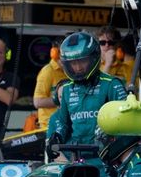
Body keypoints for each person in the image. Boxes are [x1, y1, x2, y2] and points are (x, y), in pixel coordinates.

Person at [47, 31, 127, 163]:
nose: (78, 68)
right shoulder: (66, 90)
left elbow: (126, 124)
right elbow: (62, 122)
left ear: (94, 57)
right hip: (77, 160)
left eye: (82, 61)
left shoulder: (112, 85)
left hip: (106, 161)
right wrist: (56, 137)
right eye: (73, 63)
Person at [33, 42, 67, 130]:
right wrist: (63, 99)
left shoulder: (72, 70)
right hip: (49, 127)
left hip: (67, 125)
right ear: (55, 53)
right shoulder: (47, 71)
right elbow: (37, 102)